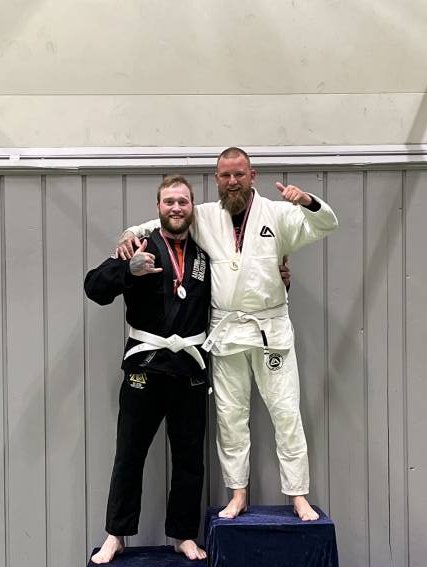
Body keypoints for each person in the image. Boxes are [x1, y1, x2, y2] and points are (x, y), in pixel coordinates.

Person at [118, 148, 339, 522]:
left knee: (286, 413)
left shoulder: (278, 214)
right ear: (217, 179)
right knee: (230, 417)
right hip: (226, 332)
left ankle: (298, 495)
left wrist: (306, 202)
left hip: (270, 330)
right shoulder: (204, 215)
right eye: (225, 175)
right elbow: (161, 222)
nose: (232, 181)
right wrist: (129, 233)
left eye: (239, 174)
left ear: (253, 175)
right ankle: (238, 494)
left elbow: (325, 225)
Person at [85, 175, 211, 563]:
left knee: (190, 458)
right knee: (130, 453)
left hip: (189, 368)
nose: (176, 208)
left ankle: (183, 535)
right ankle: (116, 534)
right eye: (169, 201)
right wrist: (128, 270)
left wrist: (281, 281)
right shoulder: (138, 245)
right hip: (145, 366)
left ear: (192, 207)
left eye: (183, 201)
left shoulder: (206, 254)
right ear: (158, 207)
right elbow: (94, 287)